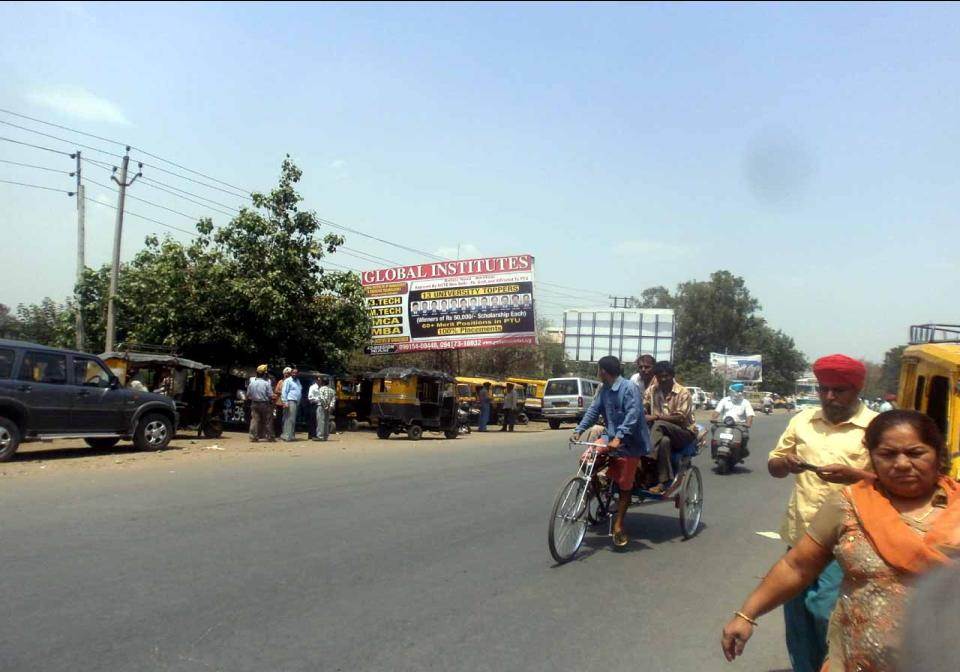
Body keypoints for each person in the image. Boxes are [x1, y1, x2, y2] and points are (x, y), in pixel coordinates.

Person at [722, 410, 960, 671]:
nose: (901, 464)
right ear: (871, 457)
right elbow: (798, 566)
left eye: (915, 453)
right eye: (887, 454)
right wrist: (746, 615)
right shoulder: (849, 504)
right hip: (854, 661)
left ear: (938, 454)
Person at [765, 354, 878, 672]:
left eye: (839, 390)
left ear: (856, 390)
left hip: (849, 542)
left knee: (826, 616)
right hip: (800, 537)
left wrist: (854, 475)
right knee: (798, 622)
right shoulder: (802, 420)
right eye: (824, 389)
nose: (830, 397)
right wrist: (785, 464)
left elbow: (893, 482)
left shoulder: (876, 427)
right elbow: (774, 463)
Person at [573, 355, 651, 547]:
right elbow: (593, 410)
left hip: (631, 443)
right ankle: (600, 490)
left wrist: (619, 438)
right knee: (586, 460)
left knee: (625, 485)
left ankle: (618, 525)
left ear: (603, 371)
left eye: (598, 370)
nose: (598, 373)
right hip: (610, 437)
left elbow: (633, 415)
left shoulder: (629, 388)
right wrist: (579, 430)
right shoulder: (604, 389)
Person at [644, 361, 696, 494]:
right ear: (655, 376)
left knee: (659, 424)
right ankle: (663, 482)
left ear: (672, 375)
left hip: (683, 433)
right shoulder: (652, 390)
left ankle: (647, 458)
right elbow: (642, 406)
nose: (663, 379)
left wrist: (656, 417)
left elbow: (680, 418)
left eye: (666, 376)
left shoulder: (683, 393)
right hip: (662, 433)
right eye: (660, 376)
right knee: (664, 441)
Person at [712, 383, 755, 454]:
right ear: (731, 392)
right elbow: (717, 411)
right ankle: (714, 449)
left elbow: (750, 415)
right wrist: (713, 418)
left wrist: (748, 423)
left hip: (739, 425)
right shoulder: (724, 400)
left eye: (740, 391)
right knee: (714, 428)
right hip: (724, 423)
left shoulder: (745, 402)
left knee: (745, 435)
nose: (739, 393)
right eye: (737, 391)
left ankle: (742, 449)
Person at [246, 364, 275, 442]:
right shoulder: (266, 384)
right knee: (268, 420)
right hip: (265, 404)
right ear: (264, 374)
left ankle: (253, 437)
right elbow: (271, 395)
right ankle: (270, 437)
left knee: (254, 420)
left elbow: (248, 395)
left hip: (254, 404)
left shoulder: (252, 383)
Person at [308, 375, 336, 441]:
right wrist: (330, 406)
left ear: (323, 382)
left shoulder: (321, 389)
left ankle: (320, 436)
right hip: (328, 408)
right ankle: (326, 436)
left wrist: (325, 406)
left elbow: (321, 398)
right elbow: (333, 400)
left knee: (320, 421)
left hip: (321, 406)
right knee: (326, 421)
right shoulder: (332, 390)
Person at [281, 367, 302, 441]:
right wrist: (285, 402)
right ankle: (287, 436)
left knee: (292, 419)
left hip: (296, 402)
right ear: (291, 373)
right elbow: (284, 391)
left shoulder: (297, 381)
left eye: (296, 373)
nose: (294, 374)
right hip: (290, 401)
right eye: (293, 373)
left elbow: (299, 391)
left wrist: (299, 401)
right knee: (289, 419)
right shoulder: (288, 381)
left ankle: (291, 435)